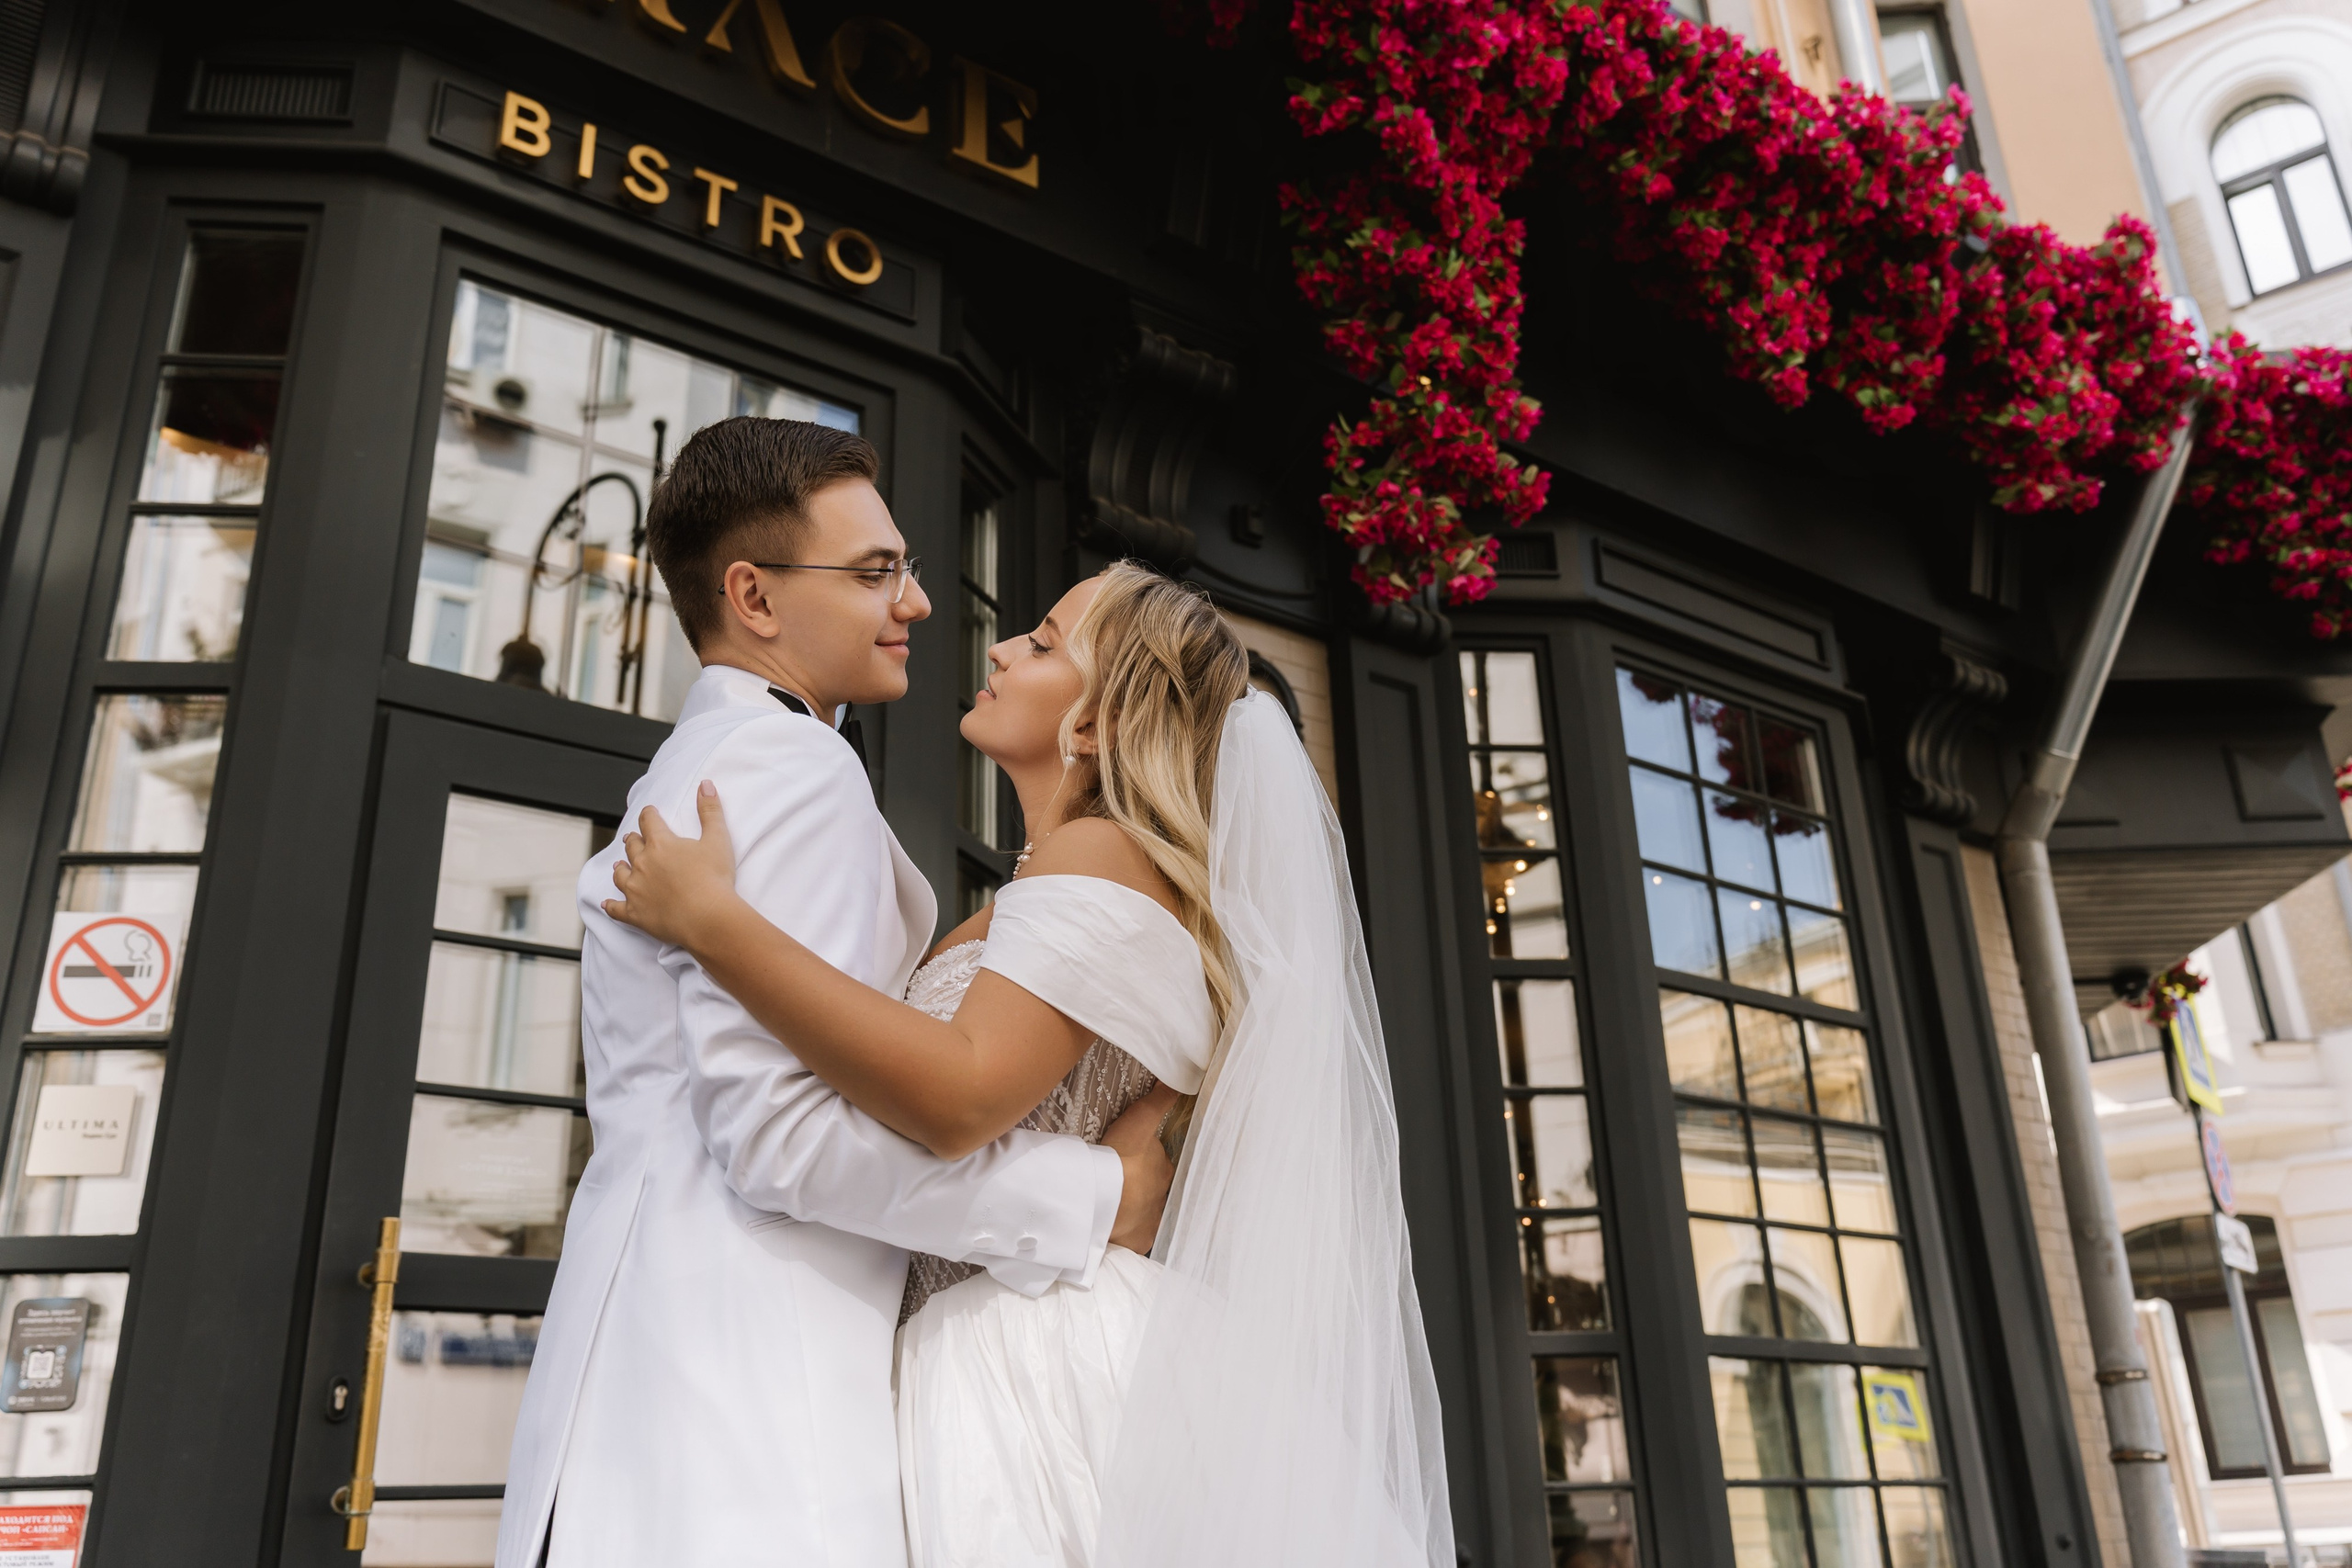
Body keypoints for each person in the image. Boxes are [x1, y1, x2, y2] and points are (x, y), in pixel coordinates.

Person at [605, 559, 1454, 1568]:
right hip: (1005, 1322)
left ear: (1094, 725)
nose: (1002, 647)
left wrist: (716, 926)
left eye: (1046, 644)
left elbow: (962, 1095)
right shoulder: (1073, 879)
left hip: (1023, 1348)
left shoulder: (1099, 854)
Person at [494, 421, 1177, 1568]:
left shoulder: (712, 762)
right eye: (874, 573)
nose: (915, 602)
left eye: (904, 567)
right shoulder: (787, 769)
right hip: (751, 1409)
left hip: (666, 1389)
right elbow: (783, 1139)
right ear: (753, 598)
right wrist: (1095, 1197)